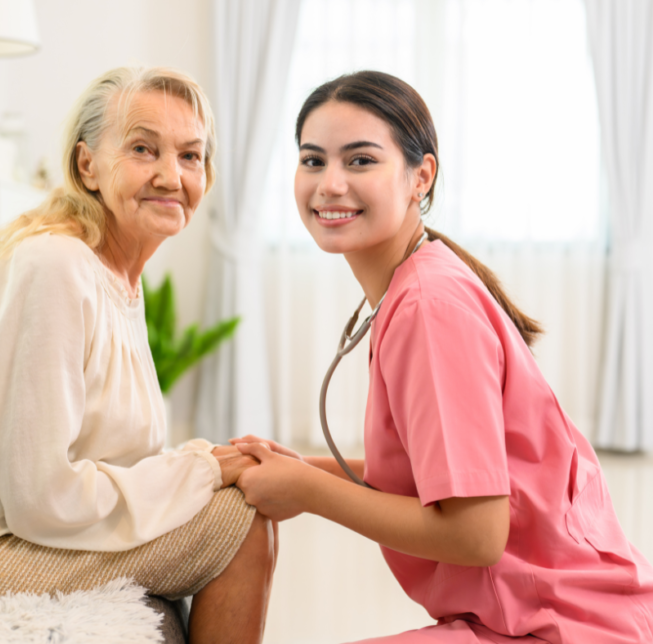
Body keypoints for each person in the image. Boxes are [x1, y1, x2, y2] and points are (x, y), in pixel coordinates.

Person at [232, 70, 653, 643]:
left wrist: (307, 492)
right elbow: (429, 482)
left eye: (359, 161)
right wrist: (300, 469)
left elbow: (476, 534)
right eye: (312, 161)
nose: (329, 183)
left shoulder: (428, 307)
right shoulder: (418, 285)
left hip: (566, 626)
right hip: (542, 612)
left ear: (419, 176)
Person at [0, 66, 274, 644]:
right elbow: (41, 497)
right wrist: (202, 470)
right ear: (87, 164)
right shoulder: (54, 268)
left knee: (233, 501)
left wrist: (203, 460)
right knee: (238, 524)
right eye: (144, 149)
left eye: (191, 156)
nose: (172, 175)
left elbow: (104, 453)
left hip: (7, 536)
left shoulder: (116, 275)